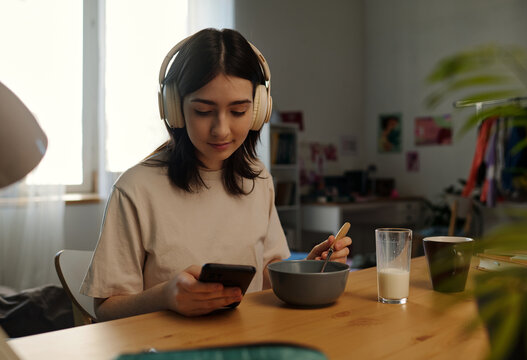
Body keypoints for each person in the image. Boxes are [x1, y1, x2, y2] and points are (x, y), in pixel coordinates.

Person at [81, 28, 351, 321]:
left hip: (248, 344)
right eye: (203, 111)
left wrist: (309, 268)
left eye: (238, 112)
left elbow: (267, 279)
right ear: (175, 109)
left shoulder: (258, 179)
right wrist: (166, 296)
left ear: (259, 110)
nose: (221, 129)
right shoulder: (135, 189)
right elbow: (105, 309)